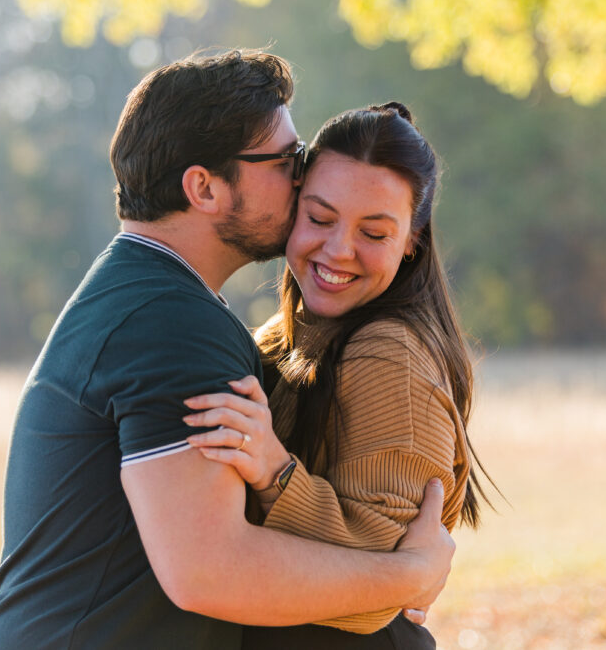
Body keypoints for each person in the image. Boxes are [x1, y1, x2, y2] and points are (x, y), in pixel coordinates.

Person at [0, 52, 456, 650]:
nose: (300, 178)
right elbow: (210, 572)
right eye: (285, 161)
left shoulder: (144, 295)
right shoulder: (172, 323)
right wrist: (412, 574)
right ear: (203, 188)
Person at [184, 102, 490, 648]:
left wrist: (274, 471)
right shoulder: (281, 339)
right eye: (320, 219)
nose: (338, 250)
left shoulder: (389, 352)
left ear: (411, 241)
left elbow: (375, 581)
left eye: (374, 234)